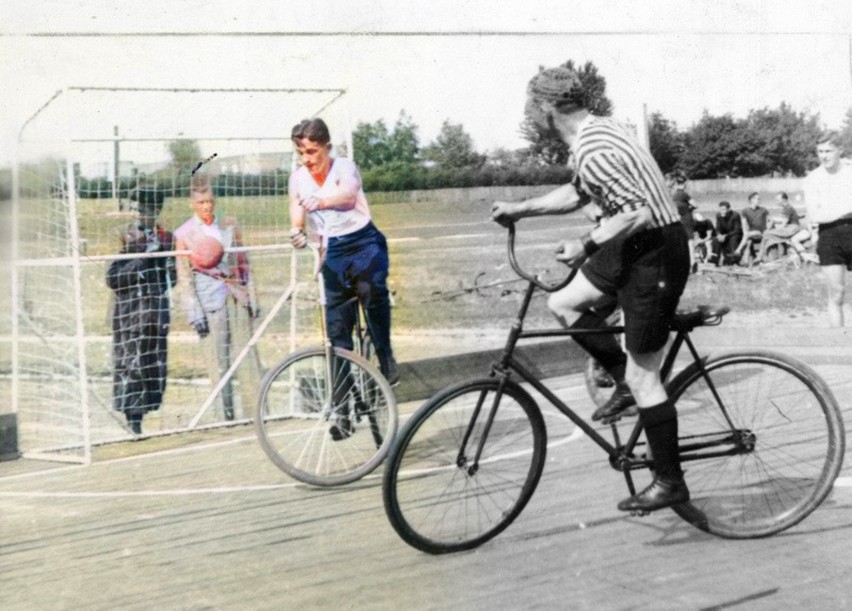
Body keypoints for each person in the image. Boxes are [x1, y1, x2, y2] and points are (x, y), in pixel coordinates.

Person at [491, 65, 691, 512]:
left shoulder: (595, 147)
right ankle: (620, 379)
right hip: (633, 243)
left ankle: (670, 480)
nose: (529, 115)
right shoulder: (595, 135)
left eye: (530, 107)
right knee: (563, 302)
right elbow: (579, 193)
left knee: (646, 376)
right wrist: (519, 209)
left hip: (654, 250)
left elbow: (636, 212)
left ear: (546, 108)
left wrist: (586, 242)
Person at [288, 118, 398, 439]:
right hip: (333, 250)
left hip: (364, 242)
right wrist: (296, 232)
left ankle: (385, 353)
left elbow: (348, 197)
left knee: (371, 292)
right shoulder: (298, 178)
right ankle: (342, 410)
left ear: (326, 147)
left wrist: (322, 201)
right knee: (336, 335)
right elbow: (296, 212)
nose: (307, 159)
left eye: (312, 151)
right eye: (301, 152)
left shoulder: (345, 168)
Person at [174, 176, 262, 421]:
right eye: (201, 202)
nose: (207, 206)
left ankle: (257, 416)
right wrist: (194, 312)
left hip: (236, 297)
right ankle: (225, 421)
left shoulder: (230, 225)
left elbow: (244, 263)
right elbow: (184, 277)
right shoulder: (184, 233)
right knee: (218, 363)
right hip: (209, 303)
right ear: (192, 202)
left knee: (248, 359)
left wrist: (252, 297)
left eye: (210, 201)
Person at [105, 197, 176, 435]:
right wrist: (142, 258)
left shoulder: (167, 239)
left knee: (153, 365)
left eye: (149, 209)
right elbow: (113, 279)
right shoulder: (125, 237)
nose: (143, 214)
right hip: (129, 313)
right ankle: (133, 419)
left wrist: (162, 271)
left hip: (154, 312)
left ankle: (145, 412)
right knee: (130, 365)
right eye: (139, 209)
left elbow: (172, 277)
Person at [803, 130, 852, 327]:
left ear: (840, 150)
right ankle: (839, 344)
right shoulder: (813, 178)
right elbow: (815, 214)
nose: (824, 156)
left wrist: (832, 209)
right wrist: (846, 208)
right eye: (820, 151)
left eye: (829, 150)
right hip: (829, 236)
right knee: (837, 294)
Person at [753, 192, 810, 264]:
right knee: (769, 233)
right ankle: (770, 256)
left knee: (767, 233)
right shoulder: (787, 207)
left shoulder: (788, 208)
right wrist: (773, 221)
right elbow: (784, 220)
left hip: (792, 228)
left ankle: (761, 257)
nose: (777, 201)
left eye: (778, 200)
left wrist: (774, 229)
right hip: (791, 227)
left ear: (783, 200)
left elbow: (783, 224)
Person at [734, 192, 770, 264]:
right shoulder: (745, 211)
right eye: (757, 199)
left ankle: (738, 250)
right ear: (751, 200)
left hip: (761, 232)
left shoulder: (763, 210)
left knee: (747, 236)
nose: (759, 201)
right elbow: (744, 224)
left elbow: (770, 221)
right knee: (748, 241)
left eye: (759, 199)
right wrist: (746, 233)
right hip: (751, 233)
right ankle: (746, 261)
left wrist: (767, 230)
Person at [671, 175, 697, 271]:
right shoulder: (684, 194)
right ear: (685, 183)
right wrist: (690, 209)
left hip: (678, 219)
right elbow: (695, 204)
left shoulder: (673, 195)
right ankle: (692, 262)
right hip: (686, 218)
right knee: (690, 241)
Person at [710, 200, 743, 265]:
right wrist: (719, 235)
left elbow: (737, 230)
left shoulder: (735, 215)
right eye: (720, 209)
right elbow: (717, 228)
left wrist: (726, 236)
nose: (722, 211)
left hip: (734, 234)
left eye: (724, 209)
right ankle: (715, 261)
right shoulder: (718, 215)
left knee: (733, 238)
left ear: (729, 209)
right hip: (723, 235)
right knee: (715, 239)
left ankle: (734, 261)